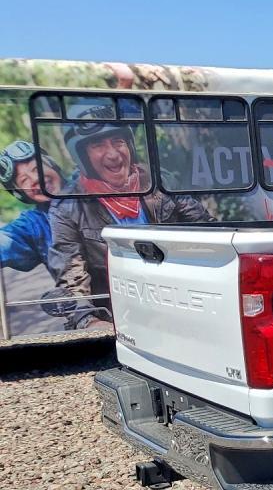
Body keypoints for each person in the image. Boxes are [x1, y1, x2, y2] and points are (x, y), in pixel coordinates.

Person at [49, 105, 212, 327]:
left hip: (178, 301)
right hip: (118, 316)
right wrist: (90, 321)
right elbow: (72, 279)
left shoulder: (159, 182)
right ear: (82, 156)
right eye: (98, 145)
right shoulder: (68, 207)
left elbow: (206, 230)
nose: (113, 154)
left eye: (118, 141)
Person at [0, 140, 66, 275]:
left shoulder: (93, 185)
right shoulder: (34, 225)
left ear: (52, 165)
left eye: (37, 168)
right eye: (24, 180)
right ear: (20, 194)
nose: (36, 179)